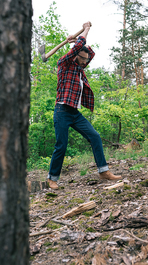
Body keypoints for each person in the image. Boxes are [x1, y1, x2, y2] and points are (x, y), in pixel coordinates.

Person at [47, 22, 122, 190]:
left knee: (94, 136)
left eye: (86, 60)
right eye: (82, 59)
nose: (85, 62)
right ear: (75, 56)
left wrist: (76, 42)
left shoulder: (79, 66)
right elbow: (79, 47)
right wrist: (86, 29)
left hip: (74, 113)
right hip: (62, 111)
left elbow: (89, 51)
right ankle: (52, 178)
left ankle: (103, 171)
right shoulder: (64, 64)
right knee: (61, 145)